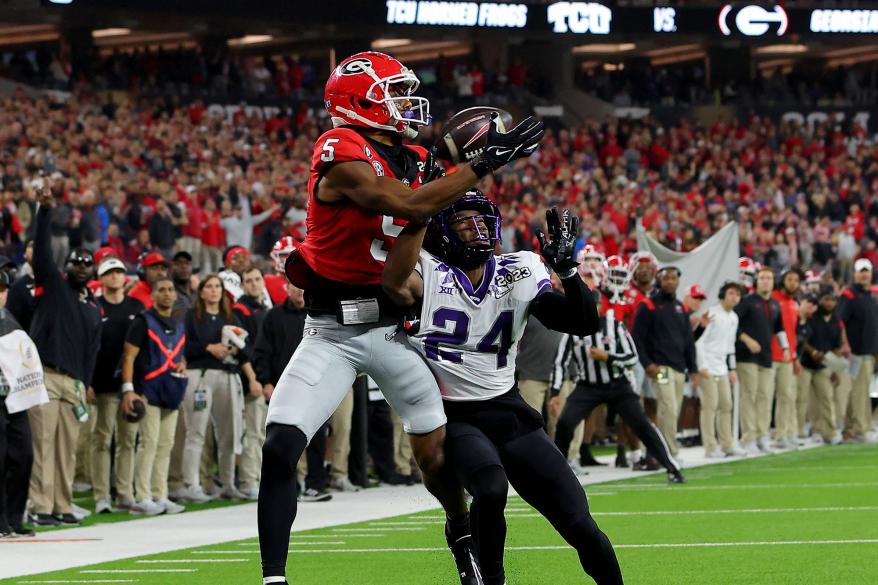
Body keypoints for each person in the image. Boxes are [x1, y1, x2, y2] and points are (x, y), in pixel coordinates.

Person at [258, 51, 543, 585]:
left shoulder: (414, 155)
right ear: (359, 102)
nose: (407, 104)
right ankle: (274, 578)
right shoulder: (338, 146)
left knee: (435, 457)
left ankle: (459, 533)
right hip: (333, 333)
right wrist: (479, 164)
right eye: (394, 94)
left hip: (395, 329)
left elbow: (441, 210)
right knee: (280, 446)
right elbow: (407, 205)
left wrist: (474, 158)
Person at [382, 196, 621, 585]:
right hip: (455, 415)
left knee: (580, 524)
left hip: (510, 412)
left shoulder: (519, 267)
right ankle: (491, 579)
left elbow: (581, 322)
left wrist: (568, 272)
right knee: (490, 489)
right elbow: (392, 279)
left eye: (482, 220)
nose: (476, 228)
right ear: (442, 233)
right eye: (463, 221)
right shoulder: (424, 269)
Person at [28, 188, 102, 526]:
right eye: (77, 262)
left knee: (66, 447)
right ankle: (41, 507)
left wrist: (85, 382)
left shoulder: (92, 307)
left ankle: (62, 504)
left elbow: (92, 349)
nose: (82, 267)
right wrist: (43, 213)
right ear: (67, 267)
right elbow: (42, 253)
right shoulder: (54, 287)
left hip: (74, 382)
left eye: (88, 264)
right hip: (45, 374)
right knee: (42, 444)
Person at [182, 275, 261, 502]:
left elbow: (247, 351)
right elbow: (183, 346)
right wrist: (209, 347)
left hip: (228, 376)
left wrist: (236, 352)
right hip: (200, 375)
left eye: (217, 286)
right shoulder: (192, 316)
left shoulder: (231, 317)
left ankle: (227, 483)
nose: (214, 290)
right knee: (196, 432)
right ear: (202, 292)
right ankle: (192, 484)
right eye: (209, 287)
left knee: (229, 433)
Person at [119, 276, 188, 516]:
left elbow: (178, 354)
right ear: (153, 295)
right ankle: (143, 496)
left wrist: (182, 365)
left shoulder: (178, 324)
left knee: (165, 445)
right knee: (148, 443)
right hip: (147, 390)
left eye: (171, 289)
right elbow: (128, 357)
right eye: (162, 290)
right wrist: (128, 390)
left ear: (176, 295)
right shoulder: (142, 322)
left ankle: (160, 494)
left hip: (171, 389)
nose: (167, 293)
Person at [90, 257, 145, 514]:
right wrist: (87, 381)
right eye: (109, 272)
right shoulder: (94, 306)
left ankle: (124, 493)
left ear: (125, 277)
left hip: (130, 387)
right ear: (101, 278)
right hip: (101, 384)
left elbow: (143, 350)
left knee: (127, 440)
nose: (115, 276)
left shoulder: (137, 306)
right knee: (102, 439)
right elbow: (87, 347)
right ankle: (102, 495)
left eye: (119, 272)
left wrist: (137, 386)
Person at [631, 266, 699, 458]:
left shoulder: (680, 308)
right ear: (659, 280)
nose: (670, 281)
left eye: (673, 278)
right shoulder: (649, 305)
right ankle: (670, 451)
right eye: (666, 278)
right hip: (660, 367)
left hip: (679, 368)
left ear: (678, 282)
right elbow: (637, 338)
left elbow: (688, 341)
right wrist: (647, 364)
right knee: (668, 408)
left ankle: (658, 449)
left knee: (672, 410)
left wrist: (693, 369)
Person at [735, 267, 790, 454]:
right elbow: (733, 324)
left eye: (769, 278)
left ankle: (762, 436)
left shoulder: (775, 304)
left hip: (766, 356)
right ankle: (748, 437)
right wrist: (747, 340)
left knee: (765, 397)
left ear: (773, 282)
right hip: (747, 356)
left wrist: (785, 347)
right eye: (762, 278)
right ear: (756, 281)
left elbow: (779, 328)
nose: (766, 281)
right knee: (749, 396)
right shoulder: (747, 302)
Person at [0, 271, 36, 538]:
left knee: (23, 456)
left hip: (15, 399)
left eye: (3, 290)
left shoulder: (11, 320)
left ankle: (14, 518)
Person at [695, 282, 746, 458]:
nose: (734, 297)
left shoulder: (734, 317)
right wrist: (701, 366)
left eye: (737, 294)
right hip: (707, 365)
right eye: (731, 293)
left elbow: (730, 346)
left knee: (726, 405)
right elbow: (699, 341)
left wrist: (732, 368)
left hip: (722, 367)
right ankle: (710, 446)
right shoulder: (712, 314)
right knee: (710, 406)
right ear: (723, 294)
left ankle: (727, 444)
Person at [233, 266, 269, 500]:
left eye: (257, 279)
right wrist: (253, 379)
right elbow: (240, 347)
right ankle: (249, 480)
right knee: (252, 432)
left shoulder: (265, 309)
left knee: (262, 433)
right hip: (251, 381)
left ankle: (259, 478)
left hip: (265, 379)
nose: (254, 284)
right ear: (243, 285)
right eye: (249, 281)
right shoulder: (240, 310)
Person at [836, 258, 878, 442]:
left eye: (866, 271)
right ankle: (861, 430)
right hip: (854, 353)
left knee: (860, 392)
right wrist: (845, 344)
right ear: (855, 274)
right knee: (857, 392)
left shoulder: (869, 295)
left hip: (868, 353)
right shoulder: (849, 295)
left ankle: (852, 429)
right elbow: (840, 321)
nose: (864, 275)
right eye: (861, 271)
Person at [799, 286, 845, 445]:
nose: (829, 303)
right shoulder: (811, 317)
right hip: (805, 363)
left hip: (824, 365)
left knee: (826, 399)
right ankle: (802, 432)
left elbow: (837, 347)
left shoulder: (836, 321)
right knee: (802, 399)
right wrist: (813, 352)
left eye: (832, 300)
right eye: (826, 299)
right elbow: (802, 339)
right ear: (820, 300)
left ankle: (830, 432)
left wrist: (834, 368)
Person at [771, 269, 802, 450]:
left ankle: (785, 434)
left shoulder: (794, 303)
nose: (793, 283)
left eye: (796, 280)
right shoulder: (773, 299)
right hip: (771, 354)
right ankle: (763, 436)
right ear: (782, 280)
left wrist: (795, 356)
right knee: (766, 397)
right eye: (789, 279)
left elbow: (793, 333)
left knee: (788, 397)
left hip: (788, 356)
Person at [170, 250, 196, 322]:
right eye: (179, 263)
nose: (184, 266)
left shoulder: (198, 294)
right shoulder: (168, 293)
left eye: (187, 263)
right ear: (172, 268)